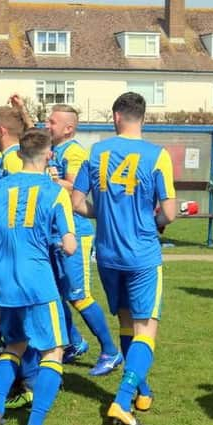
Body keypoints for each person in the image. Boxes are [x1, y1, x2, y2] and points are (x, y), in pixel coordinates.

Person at [72, 92, 176, 425]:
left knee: (127, 322)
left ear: (116, 116)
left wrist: (103, 214)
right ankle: (120, 401)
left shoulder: (96, 151)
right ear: (142, 117)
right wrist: (153, 219)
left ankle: (141, 391)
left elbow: (77, 203)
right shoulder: (157, 155)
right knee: (147, 329)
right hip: (142, 254)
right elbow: (170, 214)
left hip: (107, 254)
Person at [0, 128, 75, 425]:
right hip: (38, 280)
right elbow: (70, 246)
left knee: (14, 344)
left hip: (3, 279)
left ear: (18, 154)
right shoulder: (55, 191)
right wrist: (59, 243)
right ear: (49, 155)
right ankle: (35, 422)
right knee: (53, 350)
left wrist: (2, 248)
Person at [46, 104, 122, 375]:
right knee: (54, 294)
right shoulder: (55, 149)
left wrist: (52, 180)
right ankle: (75, 343)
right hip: (55, 231)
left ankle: (111, 351)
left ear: (68, 128)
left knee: (78, 295)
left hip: (75, 232)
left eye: (52, 122)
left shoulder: (75, 152)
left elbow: (74, 185)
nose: (47, 125)